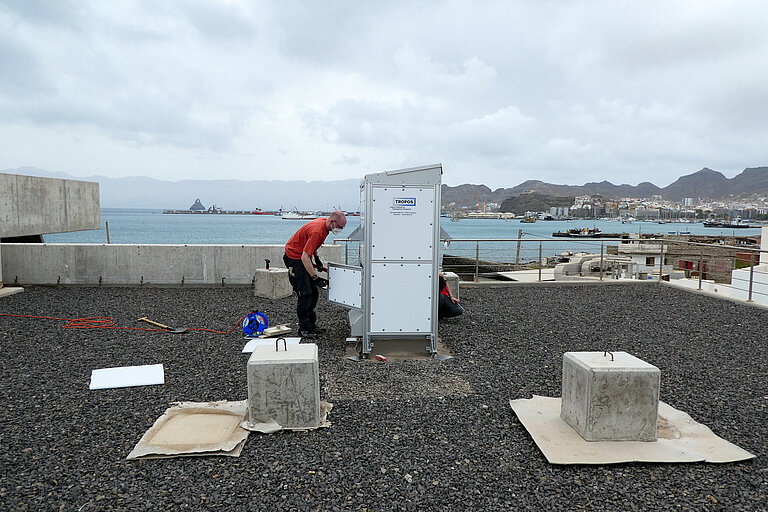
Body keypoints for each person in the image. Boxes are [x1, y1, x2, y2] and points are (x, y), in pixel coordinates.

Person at [283, 211, 347, 337]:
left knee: (314, 293)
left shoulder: (324, 223)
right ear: (333, 222)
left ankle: (311, 326)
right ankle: (304, 329)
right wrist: (315, 277)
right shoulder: (318, 231)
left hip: (302, 256)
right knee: (305, 294)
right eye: (339, 227)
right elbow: (304, 257)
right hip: (294, 258)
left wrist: (317, 258)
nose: (340, 230)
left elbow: (312, 244)